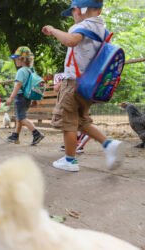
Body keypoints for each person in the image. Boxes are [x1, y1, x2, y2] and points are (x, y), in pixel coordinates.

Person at [42, 0, 125, 171]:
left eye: (72, 12)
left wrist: (53, 30)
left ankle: (70, 160)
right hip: (87, 86)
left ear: (78, 10)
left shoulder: (83, 26)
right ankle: (109, 144)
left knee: (68, 122)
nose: (72, 17)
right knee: (82, 121)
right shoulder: (102, 29)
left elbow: (71, 41)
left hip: (73, 83)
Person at [5, 46, 45, 146]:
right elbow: (33, 85)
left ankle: (36, 134)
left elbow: (18, 85)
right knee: (19, 117)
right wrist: (34, 100)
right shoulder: (31, 70)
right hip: (27, 98)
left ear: (22, 59)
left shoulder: (21, 71)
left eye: (16, 58)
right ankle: (15, 136)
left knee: (22, 117)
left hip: (20, 97)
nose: (15, 60)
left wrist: (11, 97)